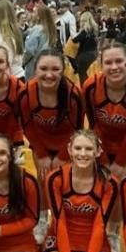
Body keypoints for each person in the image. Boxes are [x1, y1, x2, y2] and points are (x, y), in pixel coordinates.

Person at [42, 130, 117, 252]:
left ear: (98, 152)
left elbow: (100, 226)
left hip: (92, 239)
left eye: (89, 149)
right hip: (60, 237)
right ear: (69, 149)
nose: (83, 154)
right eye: (78, 148)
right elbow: (59, 223)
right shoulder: (55, 178)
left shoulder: (109, 182)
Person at [19, 49, 85, 238]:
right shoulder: (26, 92)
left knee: (64, 182)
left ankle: (60, 221)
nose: (49, 74)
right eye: (43, 68)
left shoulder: (73, 94)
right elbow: (27, 126)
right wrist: (41, 154)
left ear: (63, 70)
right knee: (41, 180)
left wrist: (64, 156)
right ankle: (40, 220)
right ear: (35, 69)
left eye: (55, 69)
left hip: (67, 144)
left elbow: (78, 130)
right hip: (40, 142)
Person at [82, 43, 126, 179]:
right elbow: (93, 126)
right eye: (108, 62)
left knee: (119, 187)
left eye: (119, 61)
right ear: (101, 65)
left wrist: (120, 163)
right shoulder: (91, 86)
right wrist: (103, 160)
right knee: (100, 185)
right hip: (101, 145)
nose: (114, 67)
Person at [0, 0, 26, 80]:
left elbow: (6, 64)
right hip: (16, 76)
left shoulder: (6, 37)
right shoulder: (12, 33)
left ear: (1, 15)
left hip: (12, 79)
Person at [22, 4, 57, 80]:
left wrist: (22, 63)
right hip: (46, 64)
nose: (32, 14)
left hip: (34, 67)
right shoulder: (49, 29)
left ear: (39, 16)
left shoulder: (37, 30)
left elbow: (30, 51)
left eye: (34, 12)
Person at [70, 11, 99, 83]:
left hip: (85, 54)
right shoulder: (94, 30)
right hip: (94, 53)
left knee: (82, 74)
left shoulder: (85, 31)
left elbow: (75, 40)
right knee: (87, 72)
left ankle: (84, 90)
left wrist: (72, 33)